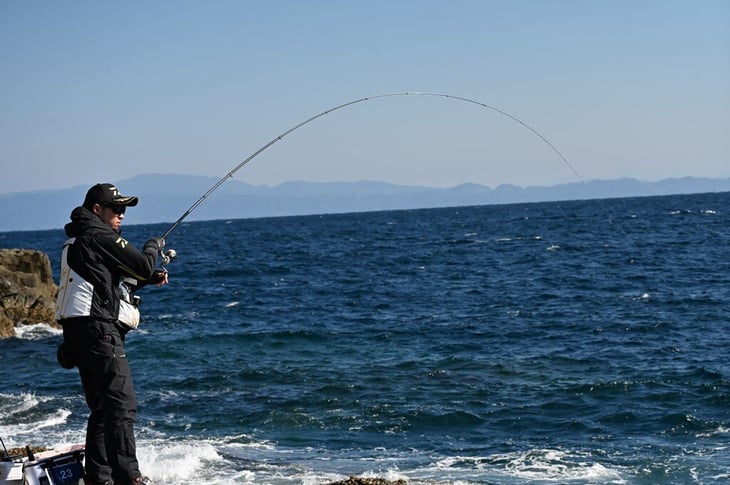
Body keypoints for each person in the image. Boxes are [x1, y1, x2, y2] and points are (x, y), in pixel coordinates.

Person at [55, 183, 172, 485]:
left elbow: (110, 282)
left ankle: (99, 478)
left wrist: (146, 281)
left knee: (103, 409)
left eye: (124, 209)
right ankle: (128, 477)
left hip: (77, 333)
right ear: (98, 210)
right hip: (99, 331)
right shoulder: (98, 235)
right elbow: (144, 264)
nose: (121, 215)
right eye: (116, 209)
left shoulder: (79, 238)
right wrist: (153, 246)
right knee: (121, 404)